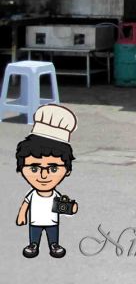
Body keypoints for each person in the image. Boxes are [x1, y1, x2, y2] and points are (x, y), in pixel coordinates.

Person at [15, 104, 79, 259]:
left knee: (53, 234)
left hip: (51, 221)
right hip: (35, 221)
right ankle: (33, 245)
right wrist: (22, 215)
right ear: (22, 168)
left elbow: (64, 207)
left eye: (53, 169)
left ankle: (54, 245)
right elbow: (25, 203)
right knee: (34, 234)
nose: (44, 175)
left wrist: (71, 207)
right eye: (34, 168)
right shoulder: (32, 194)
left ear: (67, 171)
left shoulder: (56, 194)